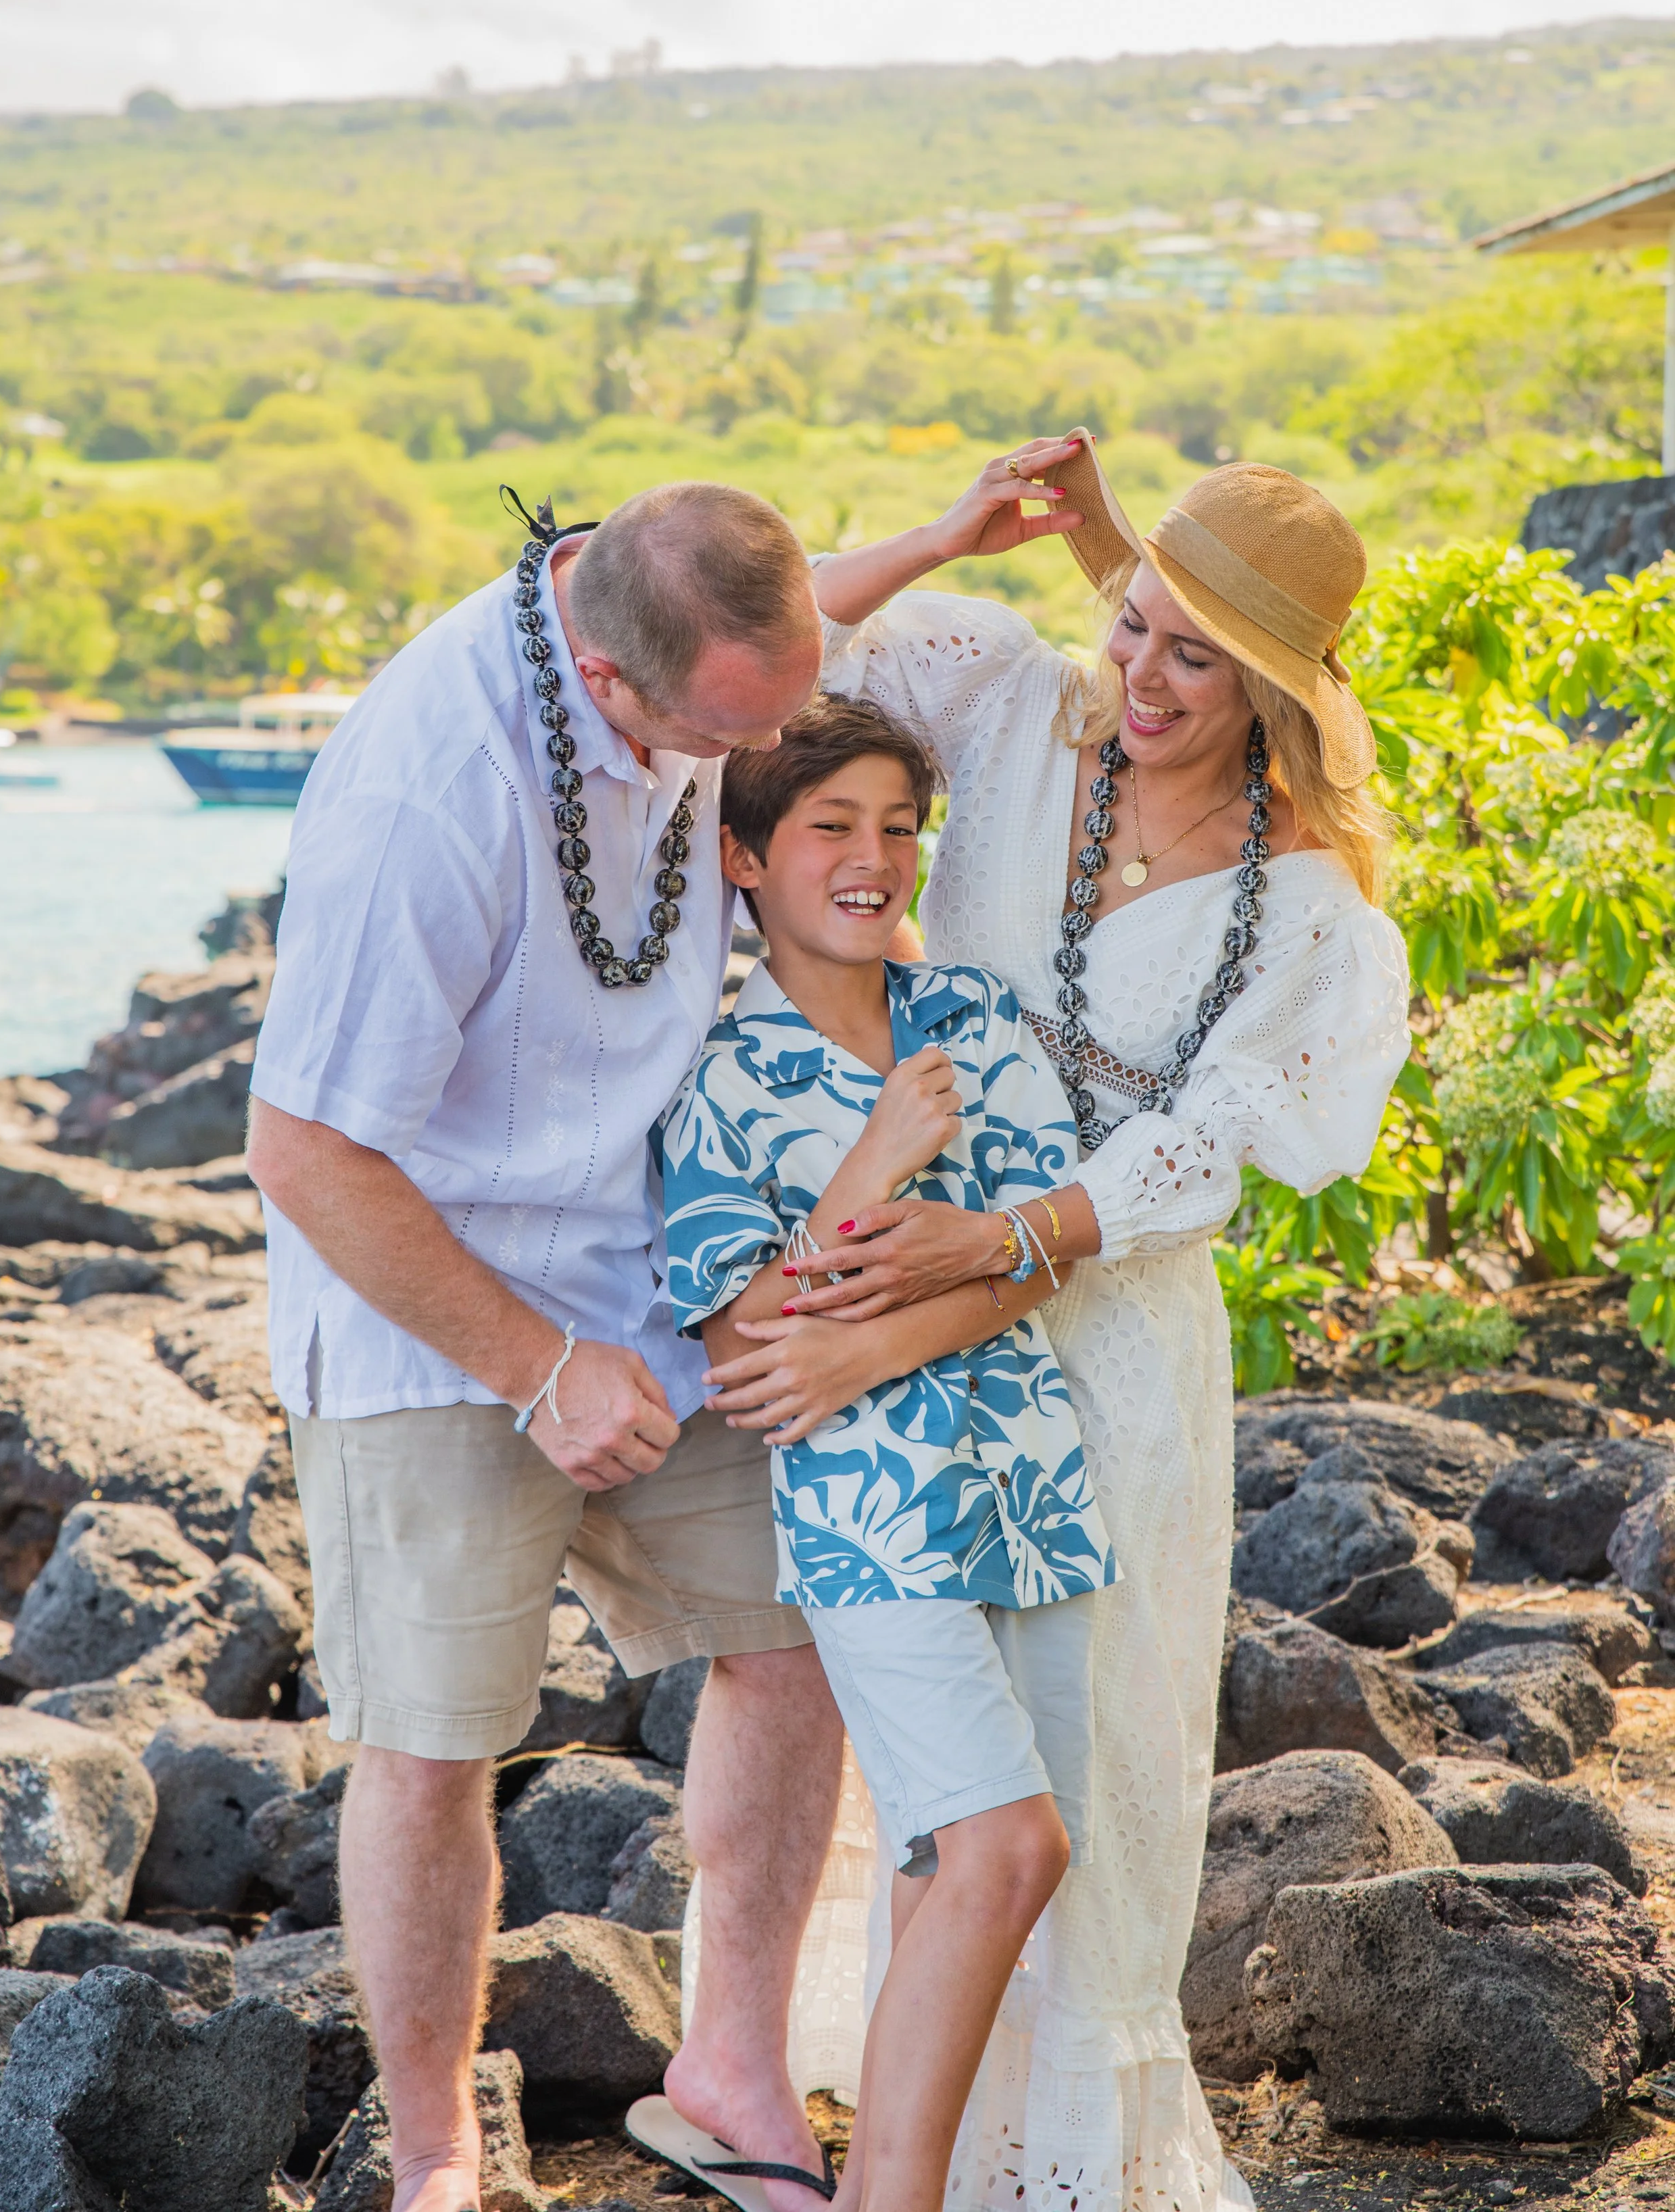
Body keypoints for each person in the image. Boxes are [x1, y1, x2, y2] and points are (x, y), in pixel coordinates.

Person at [758, 436, 1411, 2212]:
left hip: (1110, 1335)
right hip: (895, 1302)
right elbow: (767, 649)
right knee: (920, 1725)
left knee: (1085, 1743)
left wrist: (1010, 1234)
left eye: (1192, 657)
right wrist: (952, 533)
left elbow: (1206, 1148)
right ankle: (872, 2126)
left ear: (1270, 687)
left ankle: (1034, 2163)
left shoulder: (1310, 912)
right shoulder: (1010, 711)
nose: (1138, 680)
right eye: (1129, 626)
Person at [245, 480, 848, 2212]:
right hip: (427, 1310)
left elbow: (781, 644)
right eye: (735, 738)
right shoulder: (426, 797)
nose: (769, 752)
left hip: (654, 1268)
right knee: (434, 1745)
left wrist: (939, 549)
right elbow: (302, 1151)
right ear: (602, 682)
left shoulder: (690, 625)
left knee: (795, 1638)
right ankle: (436, 2147)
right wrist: (532, 1363)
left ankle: (728, 2063)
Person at [654, 692, 1117, 2212]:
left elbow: (1047, 1252)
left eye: (897, 827)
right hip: (869, 1518)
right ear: (743, 860)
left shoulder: (972, 1017)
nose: (873, 859)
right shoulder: (717, 1076)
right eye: (829, 829)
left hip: (1036, 1488)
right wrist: (870, 1175)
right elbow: (739, 1335)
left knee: (952, 1871)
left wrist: (883, 1311)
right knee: (1005, 1850)